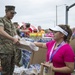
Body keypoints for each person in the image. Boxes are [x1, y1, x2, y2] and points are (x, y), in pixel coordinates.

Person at [0, 5, 20, 75]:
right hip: (5, 51)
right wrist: (13, 38)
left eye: (14, 13)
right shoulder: (1, 19)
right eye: (11, 13)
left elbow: (15, 35)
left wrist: (18, 38)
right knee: (5, 72)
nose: (13, 15)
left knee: (11, 71)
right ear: (6, 12)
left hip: (12, 50)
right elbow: (1, 31)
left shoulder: (11, 23)